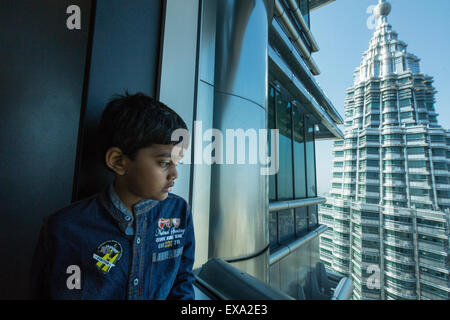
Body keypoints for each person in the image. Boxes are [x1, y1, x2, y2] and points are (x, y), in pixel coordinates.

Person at [30, 92, 195, 299]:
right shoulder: (64, 228)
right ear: (118, 161)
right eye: (164, 163)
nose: (175, 174)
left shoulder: (179, 212)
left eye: (178, 163)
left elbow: (182, 281)